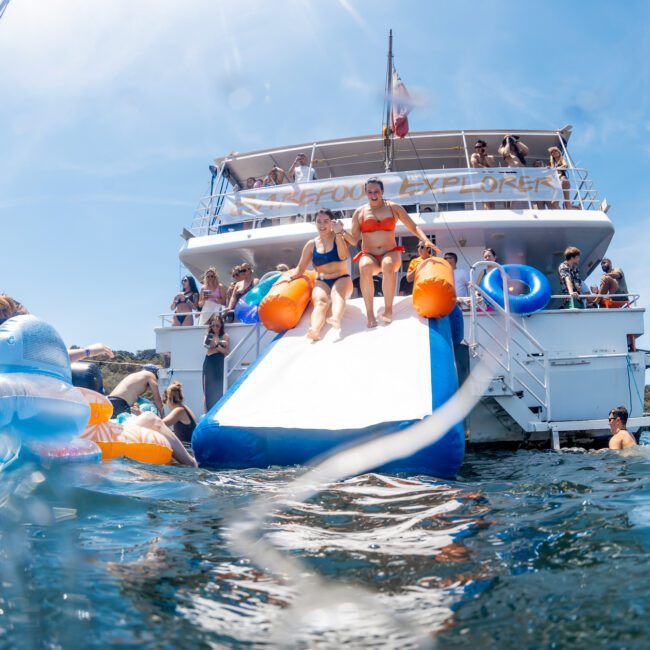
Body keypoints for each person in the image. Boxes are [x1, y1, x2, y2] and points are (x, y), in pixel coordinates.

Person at [343, 178, 441, 327]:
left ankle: (388, 310)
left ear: (382, 192)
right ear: (366, 193)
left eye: (376, 191)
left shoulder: (394, 208)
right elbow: (353, 239)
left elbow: (413, 227)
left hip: (390, 252)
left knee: (388, 265)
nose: (373, 194)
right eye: (370, 192)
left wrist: (425, 240)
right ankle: (370, 315)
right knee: (364, 267)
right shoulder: (359, 213)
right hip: (369, 254)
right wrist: (341, 232)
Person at [289, 207, 353, 340]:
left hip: (341, 278)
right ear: (315, 223)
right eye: (319, 221)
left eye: (326, 221)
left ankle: (335, 317)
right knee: (320, 302)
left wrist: (339, 233)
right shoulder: (311, 245)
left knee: (337, 294)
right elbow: (300, 268)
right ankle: (315, 330)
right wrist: (288, 279)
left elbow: (343, 256)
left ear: (332, 222)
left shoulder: (339, 237)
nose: (322, 225)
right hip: (322, 280)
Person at [203, 313, 230, 411]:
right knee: (207, 389)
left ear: (221, 325)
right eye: (213, 325)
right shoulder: (208, 335)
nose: (215, 328)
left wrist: (216, 345)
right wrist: (220, 343)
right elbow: (206, 345)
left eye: (217, 325)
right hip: (209, 362)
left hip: (219, 362)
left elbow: (226, 352)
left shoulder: (225, 336)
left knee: (219, 388)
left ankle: (218, 411)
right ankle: (207, 412)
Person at [470, 140, 496, 209]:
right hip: (480, 181)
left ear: (483, 147)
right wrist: (486, 168)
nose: (477, 148)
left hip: (490, 181)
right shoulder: (475, 155)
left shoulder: (490, 157)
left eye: (479, 146)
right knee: (485, 200)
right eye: (476, 147)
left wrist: (485, 156)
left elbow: (492, 167)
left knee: (491, 203)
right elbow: (475, 165)